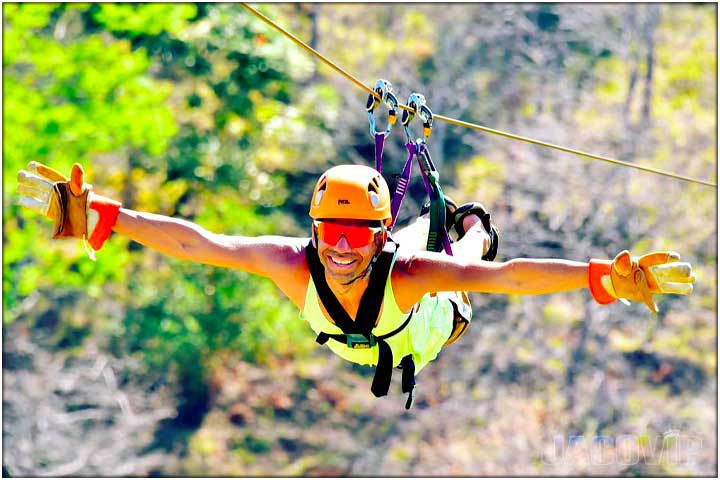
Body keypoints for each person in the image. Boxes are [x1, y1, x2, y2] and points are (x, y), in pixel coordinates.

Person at [17, 161, 695, 408]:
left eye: (357, 233)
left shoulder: (403, 269)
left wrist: (600, 277)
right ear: (314, 229)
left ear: (376, 233)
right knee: (442, 253)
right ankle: (463, 221)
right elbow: (201, 244)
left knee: (464, 253)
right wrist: (107, 217)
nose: (342, 246)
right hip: (359, 340)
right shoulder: (292, 261)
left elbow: (506, 280)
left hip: (425, 327)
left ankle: (475, 220)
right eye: (330, 232)